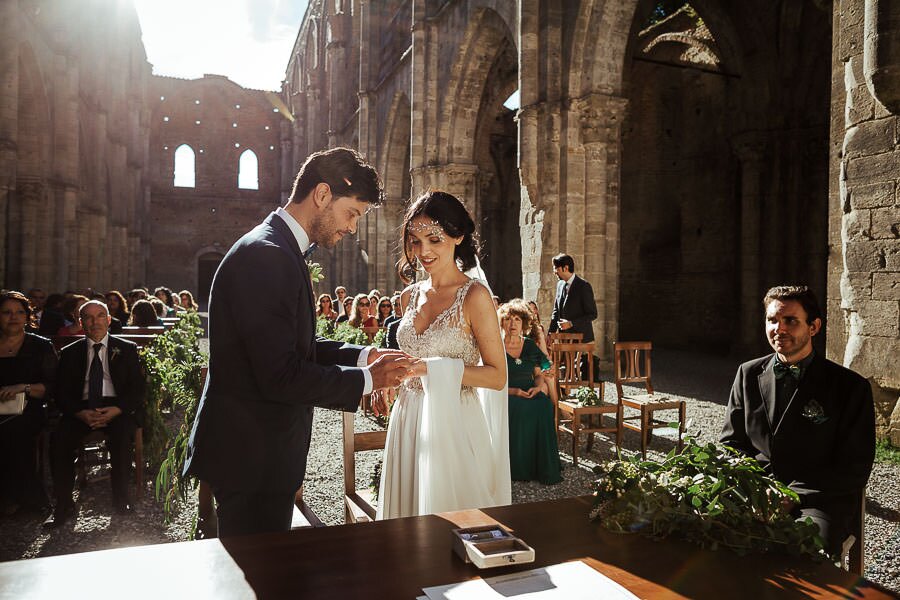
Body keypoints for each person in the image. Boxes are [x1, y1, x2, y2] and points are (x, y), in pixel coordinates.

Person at [184, 147, 414, 538]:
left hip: (260, 453)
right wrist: (368, 381)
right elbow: (280, 375)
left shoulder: (279, 249)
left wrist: (363, 356)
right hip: (250, 458)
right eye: (352, 213)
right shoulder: (266, 255)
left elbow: (296, 343)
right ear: (322, 195)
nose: (352, 228)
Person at [377, 190, 510, 519]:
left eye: (434, 239)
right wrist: (390, 376)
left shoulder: (474, 297)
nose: (423, 251)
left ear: (458, 237)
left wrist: (434, 369)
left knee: (450, 528)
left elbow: (497, 376)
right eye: (416, 240)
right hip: (407, 417)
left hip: (455, 425)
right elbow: (412, 355)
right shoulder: (409, 295)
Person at [720, 285, 875, 556]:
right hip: (756, 493)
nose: (779, 329)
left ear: (814, 327)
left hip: (817, 501)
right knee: (709, 534)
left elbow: (855, 465)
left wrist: (793, 496)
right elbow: (732, 444)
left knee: (803, 551)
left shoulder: (850, 387)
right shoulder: (747, 374)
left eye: (790, 320)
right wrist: (755, 489)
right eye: (772, 320)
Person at [45, 300, 145, 527]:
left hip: (115, 407)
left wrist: (117, 409)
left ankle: (122, 498)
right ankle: (63, 504)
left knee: (121, 437)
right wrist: (80, 413)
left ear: (108, 320)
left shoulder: (126, 348)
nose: (95, 321)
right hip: (81, 409)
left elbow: (137, 389)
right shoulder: (70, 353)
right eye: (88, 318)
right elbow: (61, 392)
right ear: (80, 323)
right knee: (59, 440)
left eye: (100, 316)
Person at [0, 291, 57, 515]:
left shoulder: (40, 346)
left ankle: (26, 498)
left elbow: (52, 386)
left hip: (28, 408)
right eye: (6, 312)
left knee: (14, 430)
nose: (13, 317)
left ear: (27, 316)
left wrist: (22, 387)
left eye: (19, 312)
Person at [500, 299, 562, 485]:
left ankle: (541, 466)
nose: (512, 324)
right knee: (517, 406)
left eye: (518, 319)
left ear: (524, 323)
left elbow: (542, 370)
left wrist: (538, 385)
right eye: (508, 319)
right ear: (502, 321)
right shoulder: (496, 345)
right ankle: (516, 468)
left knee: (543, 404)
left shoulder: (528, 345)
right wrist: (515, 391)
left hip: (529, 390)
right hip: (504, 392)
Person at [548, 253, 597, 343]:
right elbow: (556, 312)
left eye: (556, 268)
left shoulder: (584, 286)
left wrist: (571, 323)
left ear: (565, 268)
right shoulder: (560, 285)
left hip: (582, 341)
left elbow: (592, 314)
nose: (554, 272)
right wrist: (550, 334)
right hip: (563, 340)